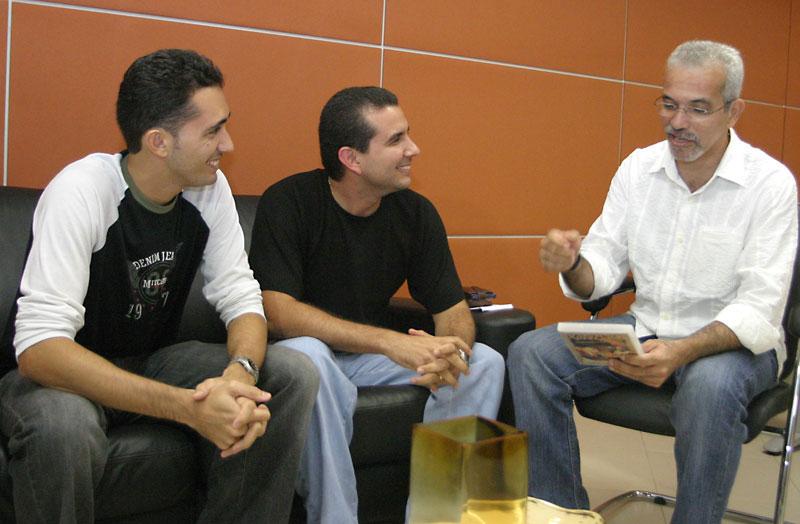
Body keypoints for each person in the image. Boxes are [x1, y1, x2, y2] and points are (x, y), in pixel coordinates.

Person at [0, 49, 319, 523]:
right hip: (60, 379)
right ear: (159, 142)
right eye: (212, 131)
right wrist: (189, 409)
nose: (227, 144)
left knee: (291, 372)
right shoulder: (82, 190)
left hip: (151, 361)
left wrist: (239, 376)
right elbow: (40, 349)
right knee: (64, 425)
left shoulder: (209, 190)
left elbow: (242, 299)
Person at [507, 40, 798, 524]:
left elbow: (759, 307)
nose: (677, 122)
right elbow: (601, 266)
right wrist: (572, 263)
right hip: (645, 328)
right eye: (669, 104)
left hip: (735, 344)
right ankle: (563, 513)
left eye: (698, 109)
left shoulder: (770, 184)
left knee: (708, 386)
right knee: (531, 354)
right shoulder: (639, 169)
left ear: (734, 111)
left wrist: (681, 352)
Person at [248, 86, 506, 524]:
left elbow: (452, 311)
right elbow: (279, 312)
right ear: (352, 159)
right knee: (310, 357)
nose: (413, 149)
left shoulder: (415, 212)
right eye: (396, 140)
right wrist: (389, 343)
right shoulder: (288, 202)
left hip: (367, 361)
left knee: (483, 363)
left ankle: (436, 517)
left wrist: (453, 352)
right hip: (298, 356)